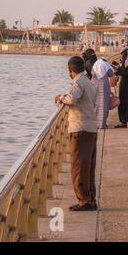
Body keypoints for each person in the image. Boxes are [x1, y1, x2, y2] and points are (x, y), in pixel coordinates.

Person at [55, 56, 98, 211]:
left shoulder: (78, 83)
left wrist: (60, 97)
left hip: (80, 128)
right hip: (91, 128)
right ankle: (90, 199)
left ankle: (84, 200)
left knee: (78, 166)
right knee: (88, 167)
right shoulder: (90, 82)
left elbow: (72, 98)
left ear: (70, 71)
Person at [82, 49, 114, 129]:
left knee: (95, 104)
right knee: (104, 104)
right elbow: (111, 73)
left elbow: (89, 75)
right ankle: (102, 124)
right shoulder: (102, 62)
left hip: (94, 85)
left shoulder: (87, 63)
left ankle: (95, 123)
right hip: (105, 86)